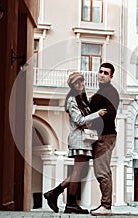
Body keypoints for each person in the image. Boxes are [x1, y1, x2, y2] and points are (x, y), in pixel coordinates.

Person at [43, 72, 107, 214]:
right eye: (76, 83)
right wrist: (97, 114)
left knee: (81, 171)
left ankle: (54, 193)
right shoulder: (72, 100)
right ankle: (69, 203)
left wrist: (89, 120)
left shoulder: (83, 100)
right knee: (78, 170)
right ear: (72, 85)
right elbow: (79, 120)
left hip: (85, 139)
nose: (80, 84)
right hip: (79, 139)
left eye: (81, 81)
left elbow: (85, 121)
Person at [89, 63, 120, 216]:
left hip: (105, 136)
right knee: (102, 170)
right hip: (100, 135)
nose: (102, 75)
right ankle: (105, 205)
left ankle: (106, 206)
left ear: (111, 76)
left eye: (106, 73)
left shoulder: (110, 92)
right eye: (100, 71)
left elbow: (110, 114)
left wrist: (93, 121)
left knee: (102, 170)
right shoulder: (101, 91)